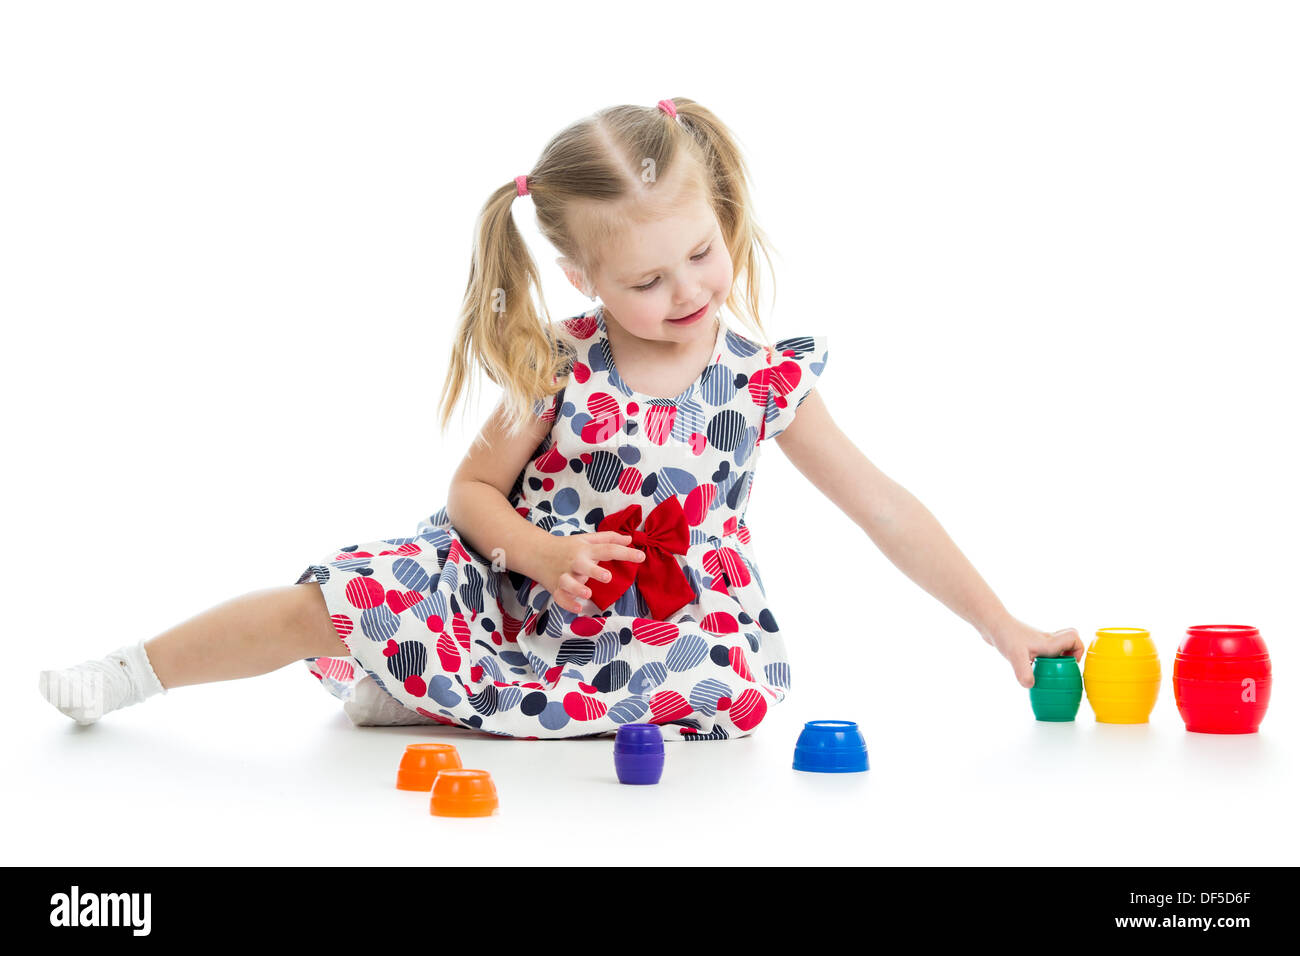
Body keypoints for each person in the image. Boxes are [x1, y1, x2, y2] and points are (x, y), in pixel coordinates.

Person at [38, 97, 1084, 738]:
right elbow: (471, 492)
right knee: (330, 596)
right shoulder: (559, 360)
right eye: (644, 279)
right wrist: (538, 552)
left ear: (723, 215)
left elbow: (887, 509)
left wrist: (1004, 628)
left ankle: (423, 697)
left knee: (696, 711)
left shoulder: (764, 381)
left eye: (701, 254)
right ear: (582, 273)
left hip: (654, 633)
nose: (685, 293)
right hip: (505, 586)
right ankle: (135, 670)